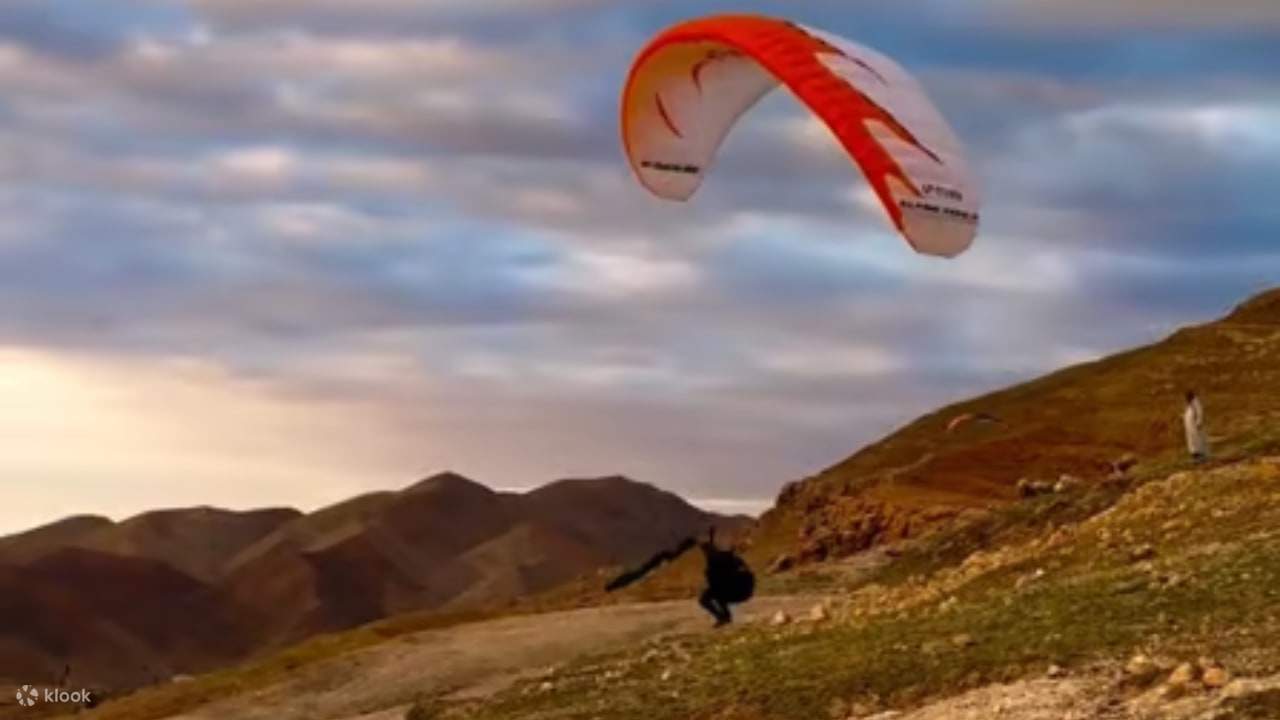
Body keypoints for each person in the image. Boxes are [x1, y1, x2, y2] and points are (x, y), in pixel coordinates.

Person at [697, 527, 755, 627]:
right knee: (714, 593)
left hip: (738, 590)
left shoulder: (721, 560)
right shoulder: (722, 558)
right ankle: (724, 617)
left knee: (710, 596)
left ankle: (723, 617)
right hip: (735, 588)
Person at [1184, 390, 1209, 462]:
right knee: (1192, 441)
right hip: (1190, 427)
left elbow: (1199, 412)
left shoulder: (1196, 403)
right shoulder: (1190, 404)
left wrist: (1199, 422)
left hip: (1195, 426)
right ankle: (1195, 455)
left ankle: (1201, 455)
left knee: (1198, 441)